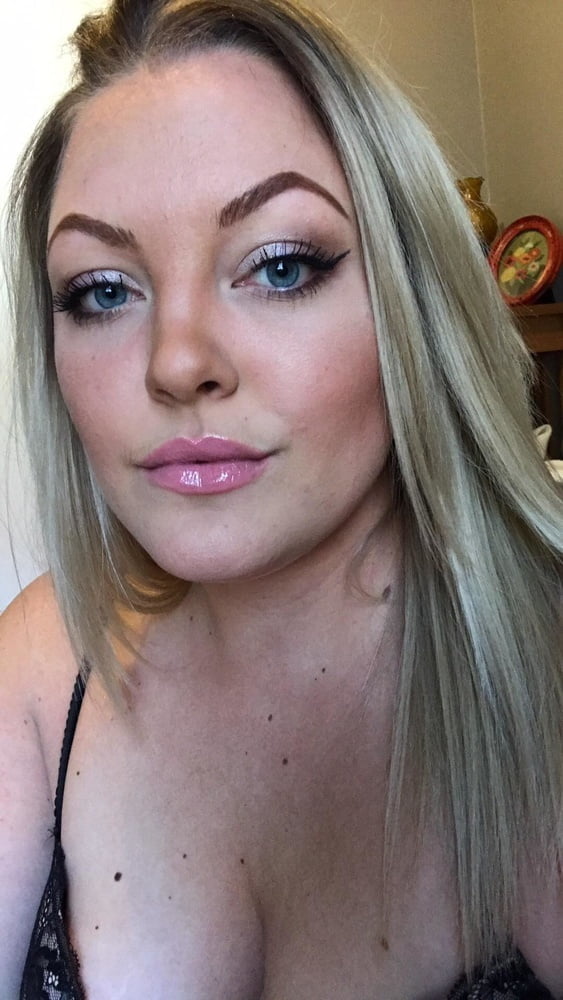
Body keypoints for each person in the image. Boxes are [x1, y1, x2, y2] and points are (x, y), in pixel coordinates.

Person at [1, 0, 561, 997]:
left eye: (279, 266)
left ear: (412, 301)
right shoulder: (41, 666)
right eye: (103, 290)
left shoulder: (540, 669)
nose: (178, 363)